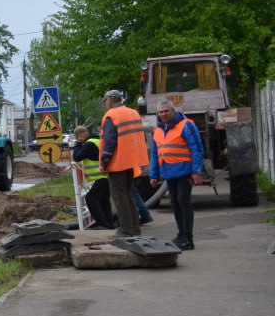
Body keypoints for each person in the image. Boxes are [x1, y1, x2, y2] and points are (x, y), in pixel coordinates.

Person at [149, 99, 205, 250]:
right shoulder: (158, 130)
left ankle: (188, 237)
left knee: (183, 202)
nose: (164, 114)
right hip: (169, 172)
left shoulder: (186, 125)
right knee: (175, 203)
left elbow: (197, 148)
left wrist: (196, 171)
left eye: (167, 111)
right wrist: (154, 175)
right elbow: (155, 154)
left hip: (185, 171)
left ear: (173, 111)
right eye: (161, 112)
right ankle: (181, 235)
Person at [99, 89, 150, 238]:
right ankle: (134, 229)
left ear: (111, 99)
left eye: (106, 101)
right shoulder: (133, 112)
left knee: (119, 197)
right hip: (133, 161)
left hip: (118, 162)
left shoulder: (111, 115)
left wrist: (103, 162)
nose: (105, 104)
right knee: (129, 195)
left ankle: (126, 231)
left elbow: (109, 141)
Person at [70, 125, 115, 229]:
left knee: (90, 198)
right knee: (104, 201)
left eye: (77, 136)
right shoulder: (97, 140)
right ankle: (109, 224)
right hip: (106, 176)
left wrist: (78, 144)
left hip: (100, 177)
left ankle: (102, 224)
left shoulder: (89, 144)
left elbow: (77, 157)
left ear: (80, 135)